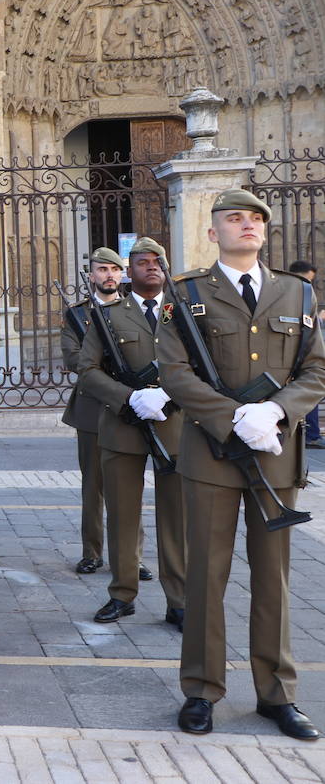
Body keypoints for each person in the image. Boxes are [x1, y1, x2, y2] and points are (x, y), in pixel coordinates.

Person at [158, 189, 325, 740]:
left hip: (275, 456)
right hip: (211, 454)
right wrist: (234, 417)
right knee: (206, 575)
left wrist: (276, 410)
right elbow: (175, 372)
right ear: (213, 232)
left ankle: (277, 694)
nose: (247, 225)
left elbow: (316, 370)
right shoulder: (186, 294)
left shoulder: (296, 293)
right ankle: (201, 690)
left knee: (273, 579)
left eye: (256, 218)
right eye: (234, 218)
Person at [76, 237, 187, 631]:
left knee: (176, 517)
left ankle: (179, 600)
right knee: (123, 514)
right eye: (142, 261)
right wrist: (129, 398)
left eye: (158, 260)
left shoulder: (185, 314)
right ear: (129, 271)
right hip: (122, 426)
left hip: (175, 426)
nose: (152, 266)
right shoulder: (107, 315)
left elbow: (204, 369)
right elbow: (87, 371)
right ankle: (122, 595)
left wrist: (166, 395)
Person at [62, 247, 124, 575]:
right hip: (90, 407)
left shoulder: (135, 310)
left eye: (114, 269)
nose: (109, 275)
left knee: (127, 488)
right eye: (102, 270)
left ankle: (129, 556)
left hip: (128, 408)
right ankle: (92, 551)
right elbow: (73, 357)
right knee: (93, 486)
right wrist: (103, 364)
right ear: (92, 275)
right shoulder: (78, 314)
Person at [287, 260, 322, 448]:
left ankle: (311, 434)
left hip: (303, 356)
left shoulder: (304, 294)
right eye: (306, 279)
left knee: (310, 390)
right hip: (288, 359)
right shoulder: (284, 292)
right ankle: (311, 435)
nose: (307, 284)